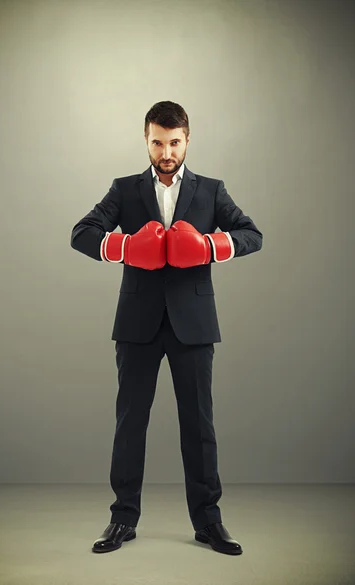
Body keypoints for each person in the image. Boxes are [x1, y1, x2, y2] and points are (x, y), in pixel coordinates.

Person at [70, 101, 263, 555]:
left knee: (199, 426)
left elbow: (253, 234)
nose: (166, 151)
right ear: (146, 139)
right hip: (137, 324)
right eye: (158, 142)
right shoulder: (125, 189)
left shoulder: (212, 190)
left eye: (174, 142)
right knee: (130, 423)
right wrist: (123, 247)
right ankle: (122, 520)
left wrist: (212, 246)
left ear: (188, 140)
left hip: (193, 325)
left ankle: (209, 522)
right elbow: (82, 232)